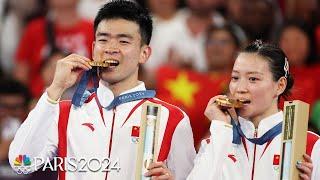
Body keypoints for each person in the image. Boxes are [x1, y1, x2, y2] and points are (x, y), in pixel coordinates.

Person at [8, 1, 196, 180]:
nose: (111, 49)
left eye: (124, 41)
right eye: (103, 40)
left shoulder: (172, 119)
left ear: (144, 53)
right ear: (93, 48)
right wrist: (55, 89)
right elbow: (20, 162)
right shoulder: (65, 113)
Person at [186, 40, 320, 180]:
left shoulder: (309, 145)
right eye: (235, 78)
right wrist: (220, 128)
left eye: (253, 79)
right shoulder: (216, 141)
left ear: (280, 85)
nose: (240, 88)